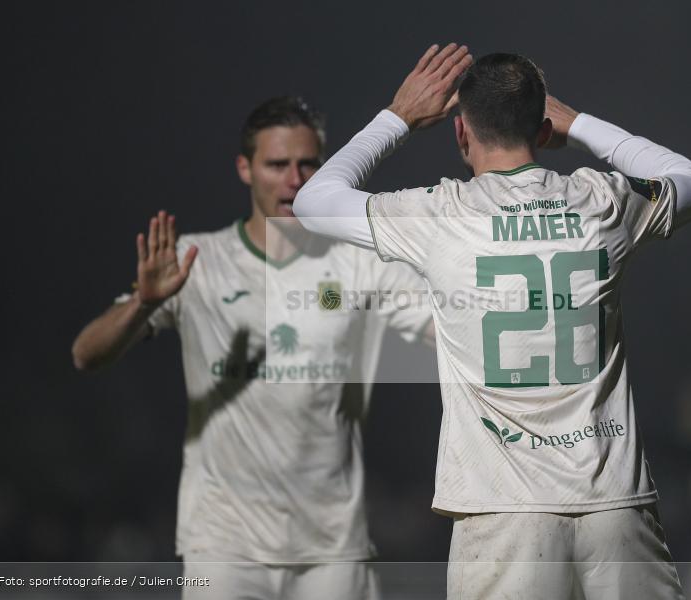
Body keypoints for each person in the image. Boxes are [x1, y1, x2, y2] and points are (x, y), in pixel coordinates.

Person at [293, 44, 691, 599]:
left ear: (460, 133)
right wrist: (583, 123)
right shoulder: (603, 201)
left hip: (503, 510)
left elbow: (313, 202)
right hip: (614, 503)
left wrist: (395, 117)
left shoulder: (439, 215)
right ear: (543, 131)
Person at [72, 96, 432, 600]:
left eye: (308, 164)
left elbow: (450, 328)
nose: (294, 179)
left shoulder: (363, 263)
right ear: (245, 168)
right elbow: (87, 354)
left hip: (331, 545)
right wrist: (142, 303)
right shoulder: (196, 261)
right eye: (276, 164)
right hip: (224, 546)